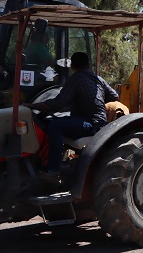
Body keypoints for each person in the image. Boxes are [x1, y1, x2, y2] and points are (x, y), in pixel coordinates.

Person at [24, 52, 119, 181]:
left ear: (72, 66)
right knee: (56, 121)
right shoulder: (97, 78)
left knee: (54, 125)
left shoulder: (76, 78)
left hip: (91, 124)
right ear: (88, 65)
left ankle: (53, 170)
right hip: (98, 122)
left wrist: (31, 106)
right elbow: (114, 96)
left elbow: (57, 104)